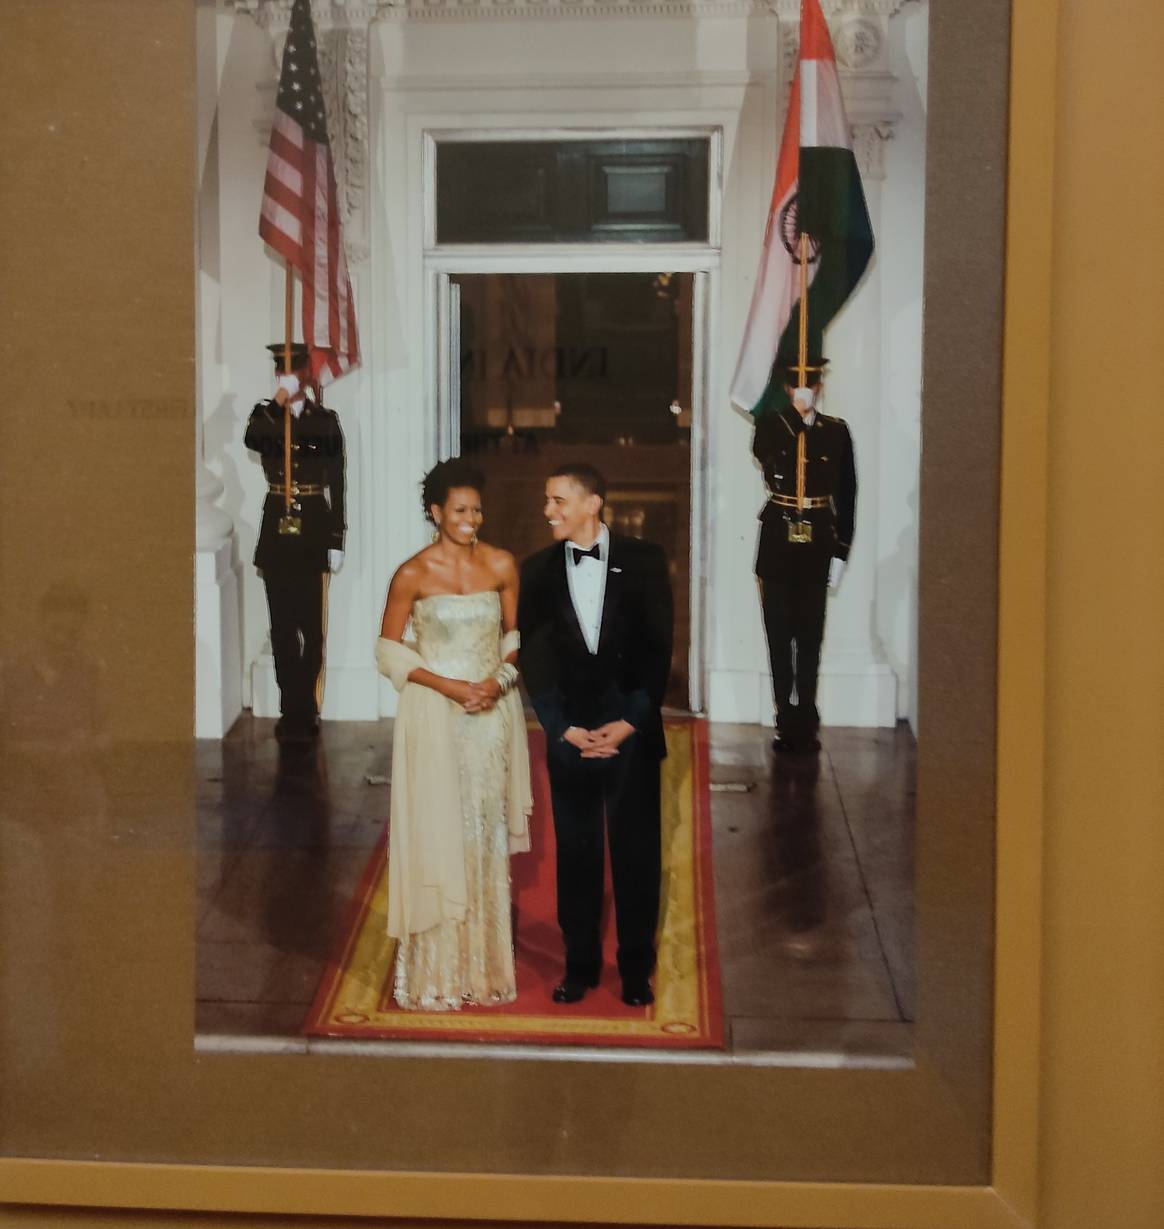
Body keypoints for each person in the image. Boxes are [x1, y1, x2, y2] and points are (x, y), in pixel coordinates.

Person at [375, 458, 532, 1011]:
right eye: (460, 510)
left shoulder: (501, 565)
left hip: (490, 718)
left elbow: (516, 636)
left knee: (483, 832)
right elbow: (389, 650)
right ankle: (435, 971)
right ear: (436, 511)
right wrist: (450, 686)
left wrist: (497, 680)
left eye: (477, 509)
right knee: (437, 829)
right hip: (435, 716)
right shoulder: (412, 574)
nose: (472, 519)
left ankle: (484, 969)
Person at [518, 463, 673, 1007]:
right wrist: (563, 728)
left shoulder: (646, 561)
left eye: (558, 500)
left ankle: (635, 969)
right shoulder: (535, 571)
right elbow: (535, 664)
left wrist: (630, 722)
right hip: (572, 739)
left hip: (631, 734)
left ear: (593, 504)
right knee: (576, 857)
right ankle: (579, 966)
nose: (548, 510)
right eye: (547, 499)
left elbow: (659, 650)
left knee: (636, 855)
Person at [751, 357, 856, 753]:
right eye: (797, 385)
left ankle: (807, 717)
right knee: (779, 634)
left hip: (817, 542)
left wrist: (841, 551)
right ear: (786, 389)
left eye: (810, 384)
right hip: (779, 540)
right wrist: (796, 418)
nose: (805, 390)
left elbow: (848, 494)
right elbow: (768, 455)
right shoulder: (771, 426)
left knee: (810, 634)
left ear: (821, 387)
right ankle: (784, 717)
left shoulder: (837, 432)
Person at [244, 343, 346, 741]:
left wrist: (337, 537)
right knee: (282, 626)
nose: (287, 376)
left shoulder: (325, 420)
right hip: (277, 529)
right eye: (281, 371)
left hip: (314, 528)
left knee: (311, 627)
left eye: (294, 370)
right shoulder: (266, 416)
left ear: (307, 373)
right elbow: (254, 441)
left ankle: (309, 705)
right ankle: (291, 708)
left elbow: (337, 481)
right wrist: (279, 401)